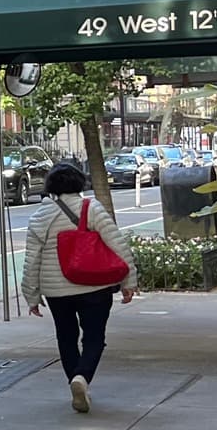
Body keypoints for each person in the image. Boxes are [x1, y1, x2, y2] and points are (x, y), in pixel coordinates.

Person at [22, 164, 136, 413]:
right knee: (94, 337)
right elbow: (118, 245)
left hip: (56, 291)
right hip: (95, 286)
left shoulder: (39, 217)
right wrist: (129, 281)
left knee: (66, 336)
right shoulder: (91, 208)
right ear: (79, 183)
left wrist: (31, 295)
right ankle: (82, 378)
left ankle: (74, 378)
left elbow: (32, 259)